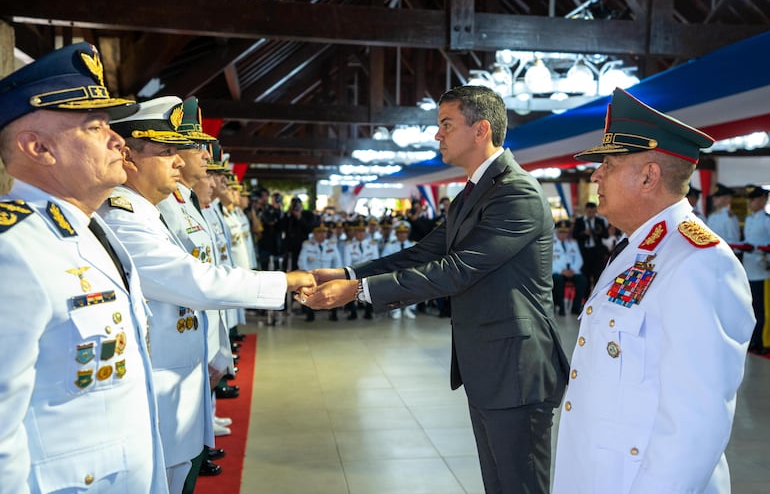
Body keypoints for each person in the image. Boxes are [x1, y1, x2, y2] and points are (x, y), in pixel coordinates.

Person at [300, 85, 569, 494]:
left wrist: (359, 290)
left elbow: (458, 269)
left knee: (521, 486)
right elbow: (422, 254)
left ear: (481, 130)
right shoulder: (471, 194)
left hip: (517, 369)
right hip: (488, 364)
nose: (437, 135)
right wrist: (345, 270)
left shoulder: (517, 192)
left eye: (446, 124)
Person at [99, 96, 316, 493]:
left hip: (181, 375)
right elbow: (196, 280)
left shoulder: (148, 211)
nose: (180, 160)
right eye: (167, 151)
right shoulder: (122, 216)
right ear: (128, 155)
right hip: (160, 386)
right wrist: (283, 282)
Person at [551, 88, 755, 494]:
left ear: (648, 176)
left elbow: (694, 423)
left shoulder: (699, 261)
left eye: (607, 164)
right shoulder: (638, 248)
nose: (595, 176)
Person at [0, 42, 169, 494]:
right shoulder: (13, 250)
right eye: (94, 127)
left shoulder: (91, 230)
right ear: (38, 147)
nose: (118, 140)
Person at [741, 184, 770, 354]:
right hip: (749, 269)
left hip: (762, 270)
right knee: (751, 308)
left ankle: (762, 341)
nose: (750, 203)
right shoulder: (750, 219)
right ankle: (754, 339)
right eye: (750, 200)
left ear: (762, 200)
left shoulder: (767, 220)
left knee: (762, 309)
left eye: (754, 199)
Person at [551, 219, 588, 316]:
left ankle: (576, 307)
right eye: (561, 232)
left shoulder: (572, 243)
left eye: (565, 232)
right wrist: (561, 271)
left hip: (572, 271)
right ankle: (561, 307)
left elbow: (579, 259)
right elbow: (549, 261)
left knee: (582, 280)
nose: (563, 235)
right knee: (557, 280)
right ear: (556, 231)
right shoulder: (551, 243)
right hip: (557, 272)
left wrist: (573, 270)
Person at [572, 201, 609, 289]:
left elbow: (606, 235)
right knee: (585, 275)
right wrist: (584, 233)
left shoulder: (599, 221)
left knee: (597, 275)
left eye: (593, 212)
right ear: (585, 210)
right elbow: (575, 235)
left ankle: (596, 295)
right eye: (589, 212)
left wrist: (598, 232)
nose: (591, 214)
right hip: (584, 252)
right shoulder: (579, 221)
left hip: (596, 252)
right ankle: (585, 297)